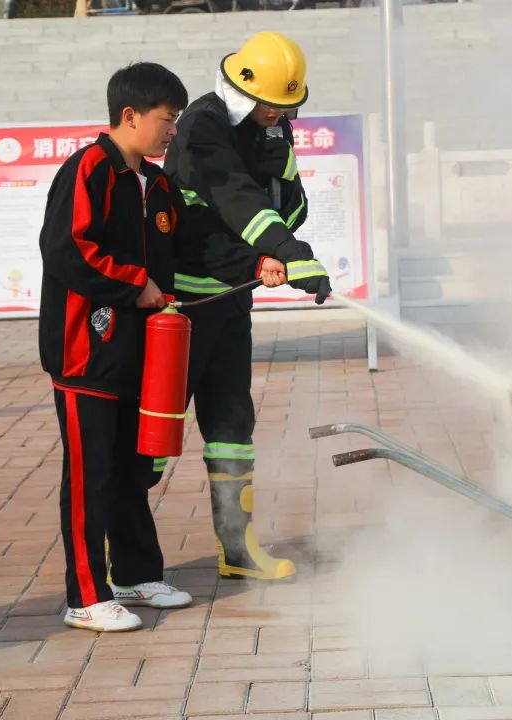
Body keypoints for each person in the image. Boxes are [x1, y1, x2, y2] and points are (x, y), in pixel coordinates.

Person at [38, 62, 278, 632]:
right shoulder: (88, 171)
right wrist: (133, 284)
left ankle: (136, 574)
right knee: (89, 474)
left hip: (135, 354)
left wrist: (259, 261)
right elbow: (67, 248)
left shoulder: (156, 183)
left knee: (127, 470)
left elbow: (197, 243)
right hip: (85, 355)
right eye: (166, 120)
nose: (173, 131)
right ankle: (87, 596)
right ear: (129, 116)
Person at [162, 31, 331, 582]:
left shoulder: (272, 132)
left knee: (232, 422)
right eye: (268, 107)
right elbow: (234, 197)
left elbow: (286, 205)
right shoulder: (201, 126)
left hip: (231, 301)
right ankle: (126, 555)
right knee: (155, 435)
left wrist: (277, 244)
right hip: (180, 308)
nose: (275, 116)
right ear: (242, 91)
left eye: (285, 109)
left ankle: (237, 550)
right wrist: (279, 253)